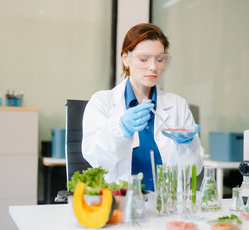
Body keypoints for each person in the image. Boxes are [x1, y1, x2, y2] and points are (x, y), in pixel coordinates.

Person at [82, 23, 204, 191]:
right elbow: (96, 159)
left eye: (159, 59)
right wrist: (120, 129)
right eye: (144, 59)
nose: (153, 67)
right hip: (122, 205)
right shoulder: (102, 102)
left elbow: (194, 169)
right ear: (125, 58)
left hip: (165, 205)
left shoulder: (177, 105)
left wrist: (188, 145)